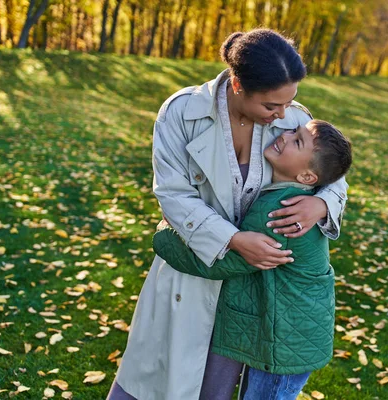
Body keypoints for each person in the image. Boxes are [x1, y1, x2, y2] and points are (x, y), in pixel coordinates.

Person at [107, 29, 348, 400]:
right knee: (161, 378)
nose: (283, 115)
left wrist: (323, 203)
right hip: (195, 266)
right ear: (237, 84)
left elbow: (331, 169)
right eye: (271, 106)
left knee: (217, 386)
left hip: (253, 293)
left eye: (289, 102)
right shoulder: (180, 113)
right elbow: (173, 194)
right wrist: (233, 239)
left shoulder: (294, 119)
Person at [152, 119, 352, 400]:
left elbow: (222, 262)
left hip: (285, 341)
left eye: (298, 141)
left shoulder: (279, 211)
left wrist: (165, 236)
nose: (286, 134)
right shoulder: (296, 197)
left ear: (308, 177)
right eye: (294, 131)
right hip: (295, 333)